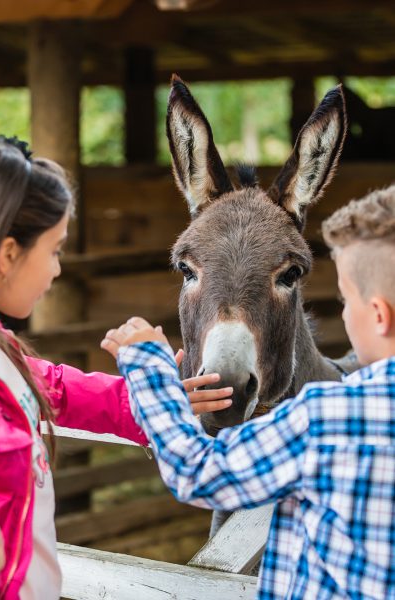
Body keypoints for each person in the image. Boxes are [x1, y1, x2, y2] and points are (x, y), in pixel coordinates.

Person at [0, 137, 233, 600]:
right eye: (54, 250)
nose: (57, 270)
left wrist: (154, 396)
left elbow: (58, 389)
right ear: (8, 254)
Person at [102, 186, 395, 600]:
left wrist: (148, 368)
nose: (344, 312)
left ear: (378, 315)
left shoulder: (325, 418)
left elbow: (196, 471)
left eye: (346, 301)